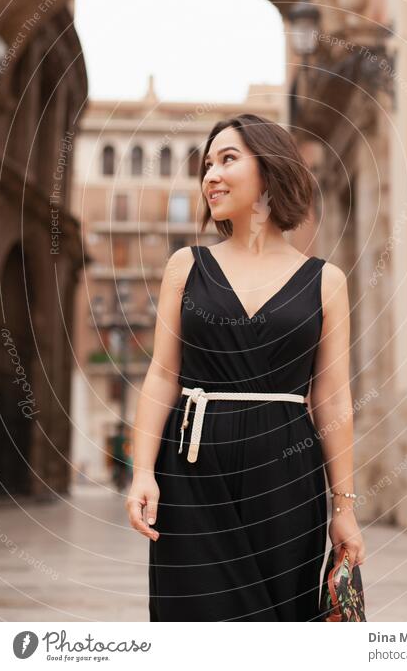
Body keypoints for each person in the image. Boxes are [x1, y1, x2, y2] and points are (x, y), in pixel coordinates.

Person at [126, 113, 365, 622]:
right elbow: (163, 375)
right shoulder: (185, 267)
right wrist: (142, 471)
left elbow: (331, 398)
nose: (211, 174)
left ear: (270, 169)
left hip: (288, 476)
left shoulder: (327, 282)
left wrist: (343, 508)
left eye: (228, 159)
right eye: (207, 164)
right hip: (192, 470)